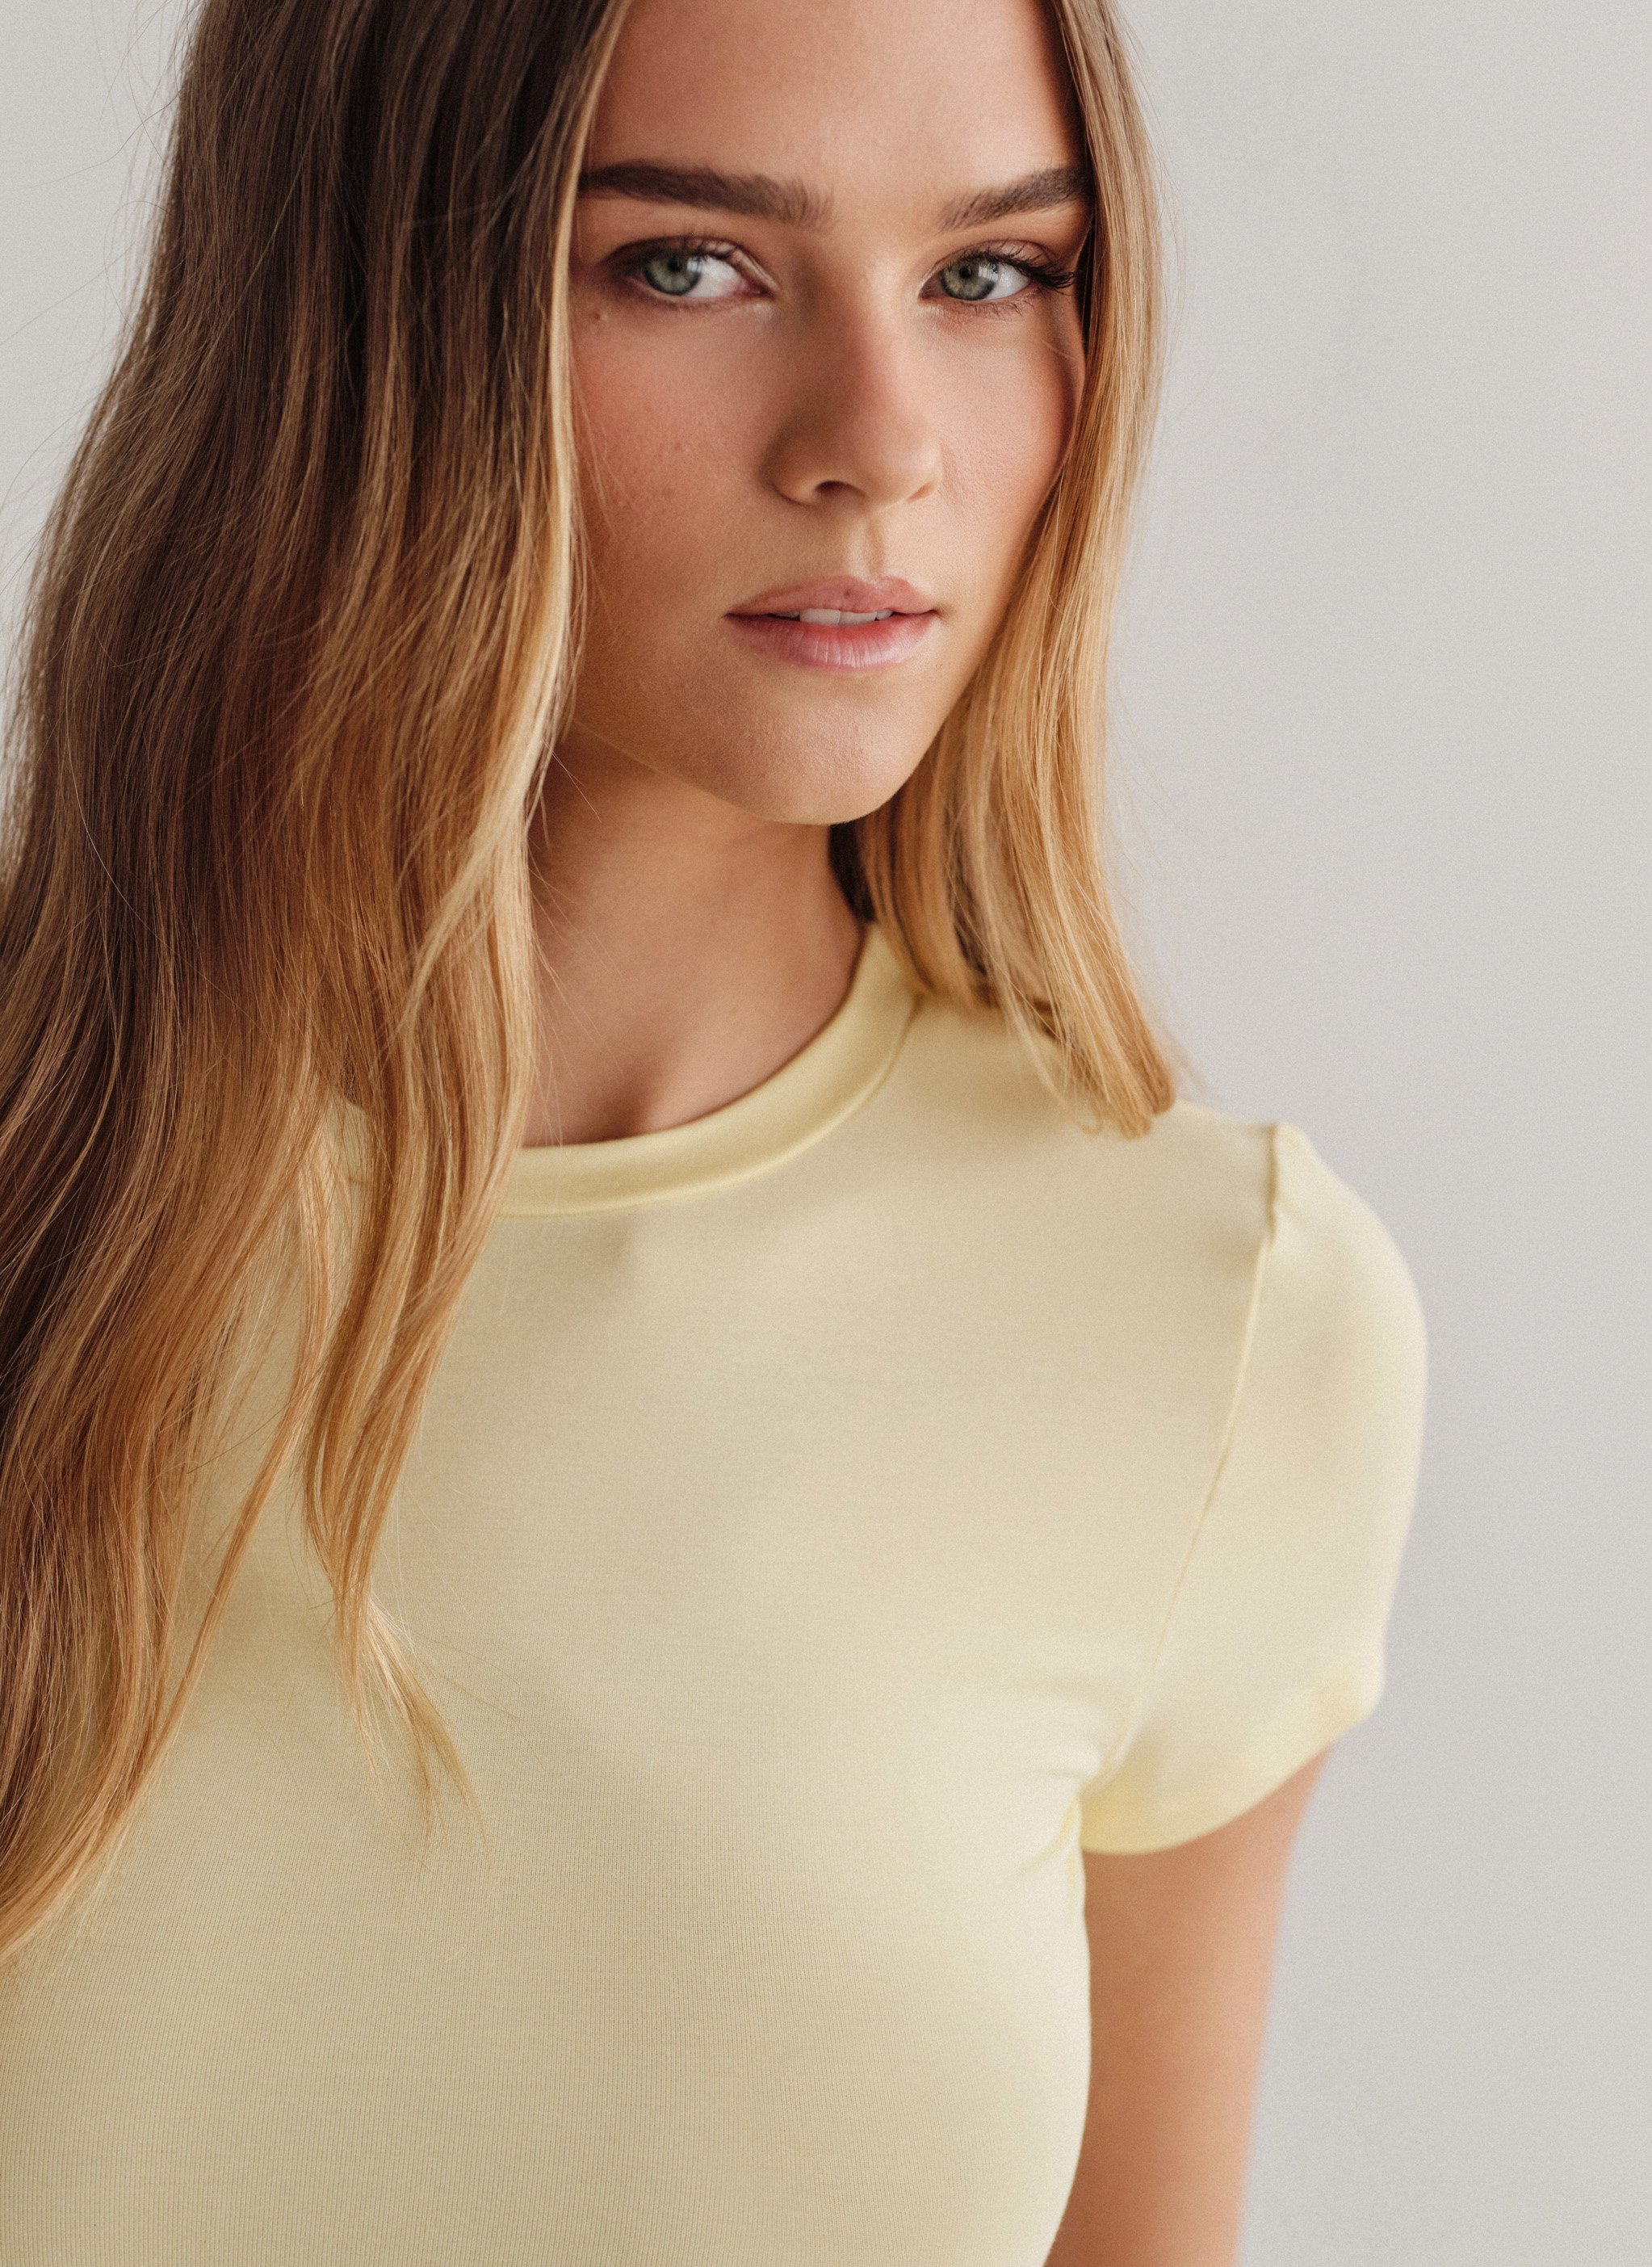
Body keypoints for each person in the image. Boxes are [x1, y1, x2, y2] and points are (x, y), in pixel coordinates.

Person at [0, 0, 1427, 2260]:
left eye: (992, 274)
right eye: (687, 265)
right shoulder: (48, 1178)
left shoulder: (1219, 1320)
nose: (880, 441)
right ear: (353, 305)